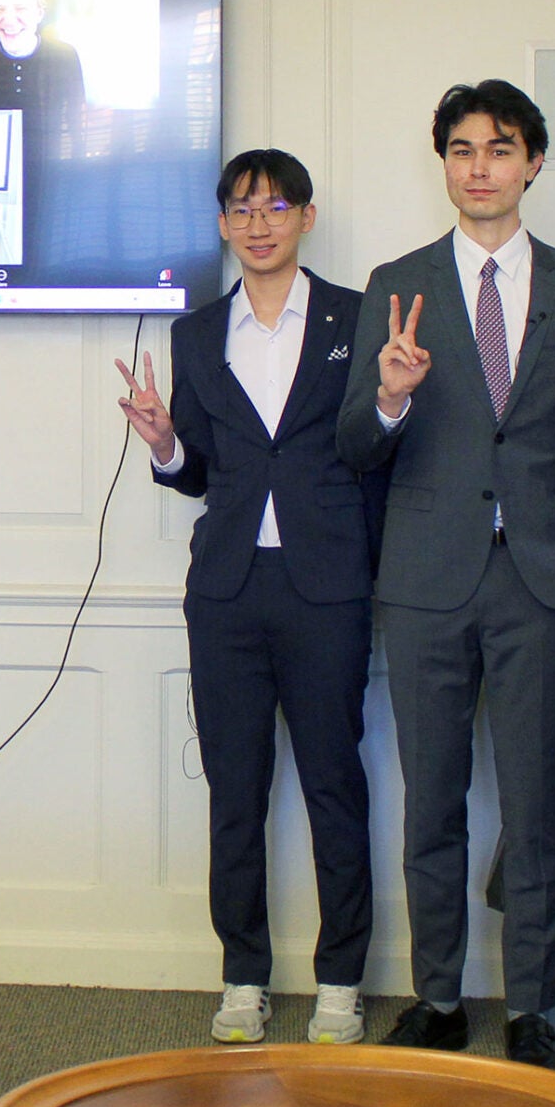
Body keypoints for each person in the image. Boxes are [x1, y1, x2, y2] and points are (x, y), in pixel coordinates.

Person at [336, 81, 555, 1069]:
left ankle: (535, 1010)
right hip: (424, 578)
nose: (479, 167)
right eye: (461, 150)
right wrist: (388, 394)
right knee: (433, 803)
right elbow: (353, 447)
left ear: (532, 162)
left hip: (539, 575)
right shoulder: (396, 281)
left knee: (537, 807)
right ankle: (440, 997)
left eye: (499, 149)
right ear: (444, 165)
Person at [117, 148, 381, 1045]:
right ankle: (243, 975)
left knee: (334, 783)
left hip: (327, 584)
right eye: (241, 209)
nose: (258, 224)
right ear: (223, 224)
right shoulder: (196, 333)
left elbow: (371, 448)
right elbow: (197, 473)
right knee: (236, 790)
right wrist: (161, 441)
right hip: (226, 588)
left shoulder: (356, 317)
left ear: (305, 216)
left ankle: (341, 976)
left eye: (275, 206)